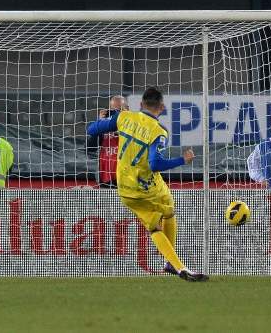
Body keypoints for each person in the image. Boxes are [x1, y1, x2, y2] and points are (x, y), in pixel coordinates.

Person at [87, 87, 208, 282]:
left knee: (162, 217)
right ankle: (177, 266)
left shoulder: (124, 118)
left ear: (141, 104)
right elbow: (155, 164)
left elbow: (91, 130)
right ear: (162, 107)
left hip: (125, 188)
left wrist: (105, 120)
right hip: (146, 187)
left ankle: (172, 264)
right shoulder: (159, 131)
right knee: (163, 217)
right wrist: (182, 160)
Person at [88, 95, 128, 188]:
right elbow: (90, 148)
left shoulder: (133, 125)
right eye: (113, 111)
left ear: (127, 109)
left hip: (126, 175)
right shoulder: (104, 126)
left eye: (120, 110)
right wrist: (100, 123)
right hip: (106, 176)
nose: (117, 114)